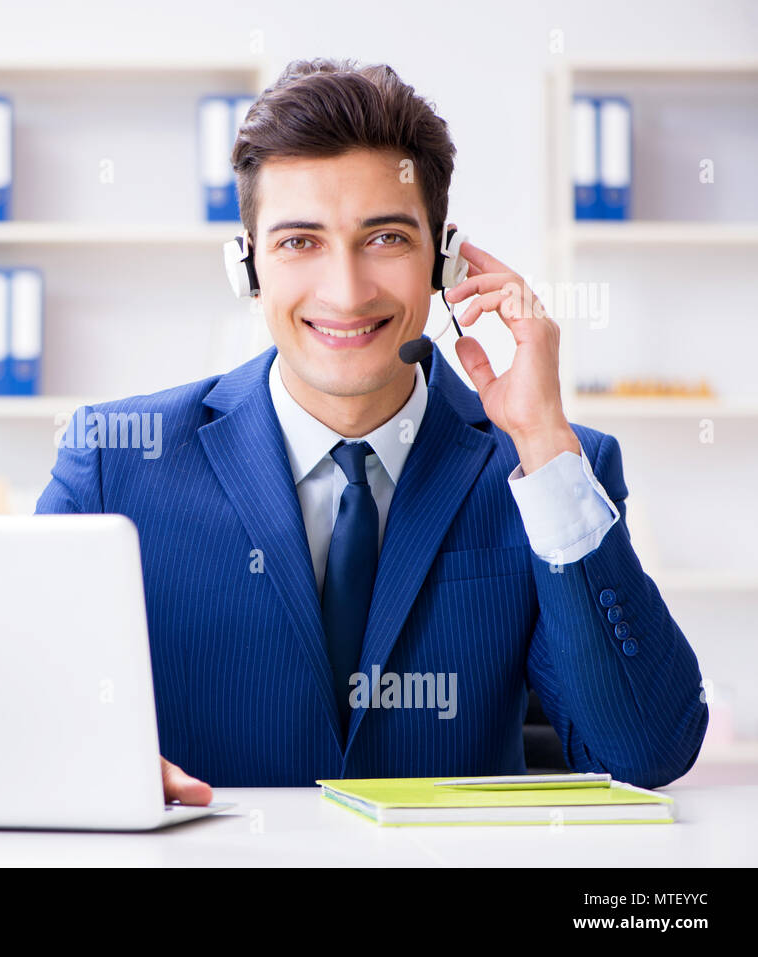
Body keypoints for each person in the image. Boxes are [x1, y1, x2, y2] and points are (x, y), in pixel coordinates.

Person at [36, 57, 708, 801]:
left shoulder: (544, 471)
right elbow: (19, 711)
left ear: (444, 260)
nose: (347, 292)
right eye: (299, 242)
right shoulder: (116, 464)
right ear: (247, 265)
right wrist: (84, 762)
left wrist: (545, 446)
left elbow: (647, 748)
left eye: (385, 238)